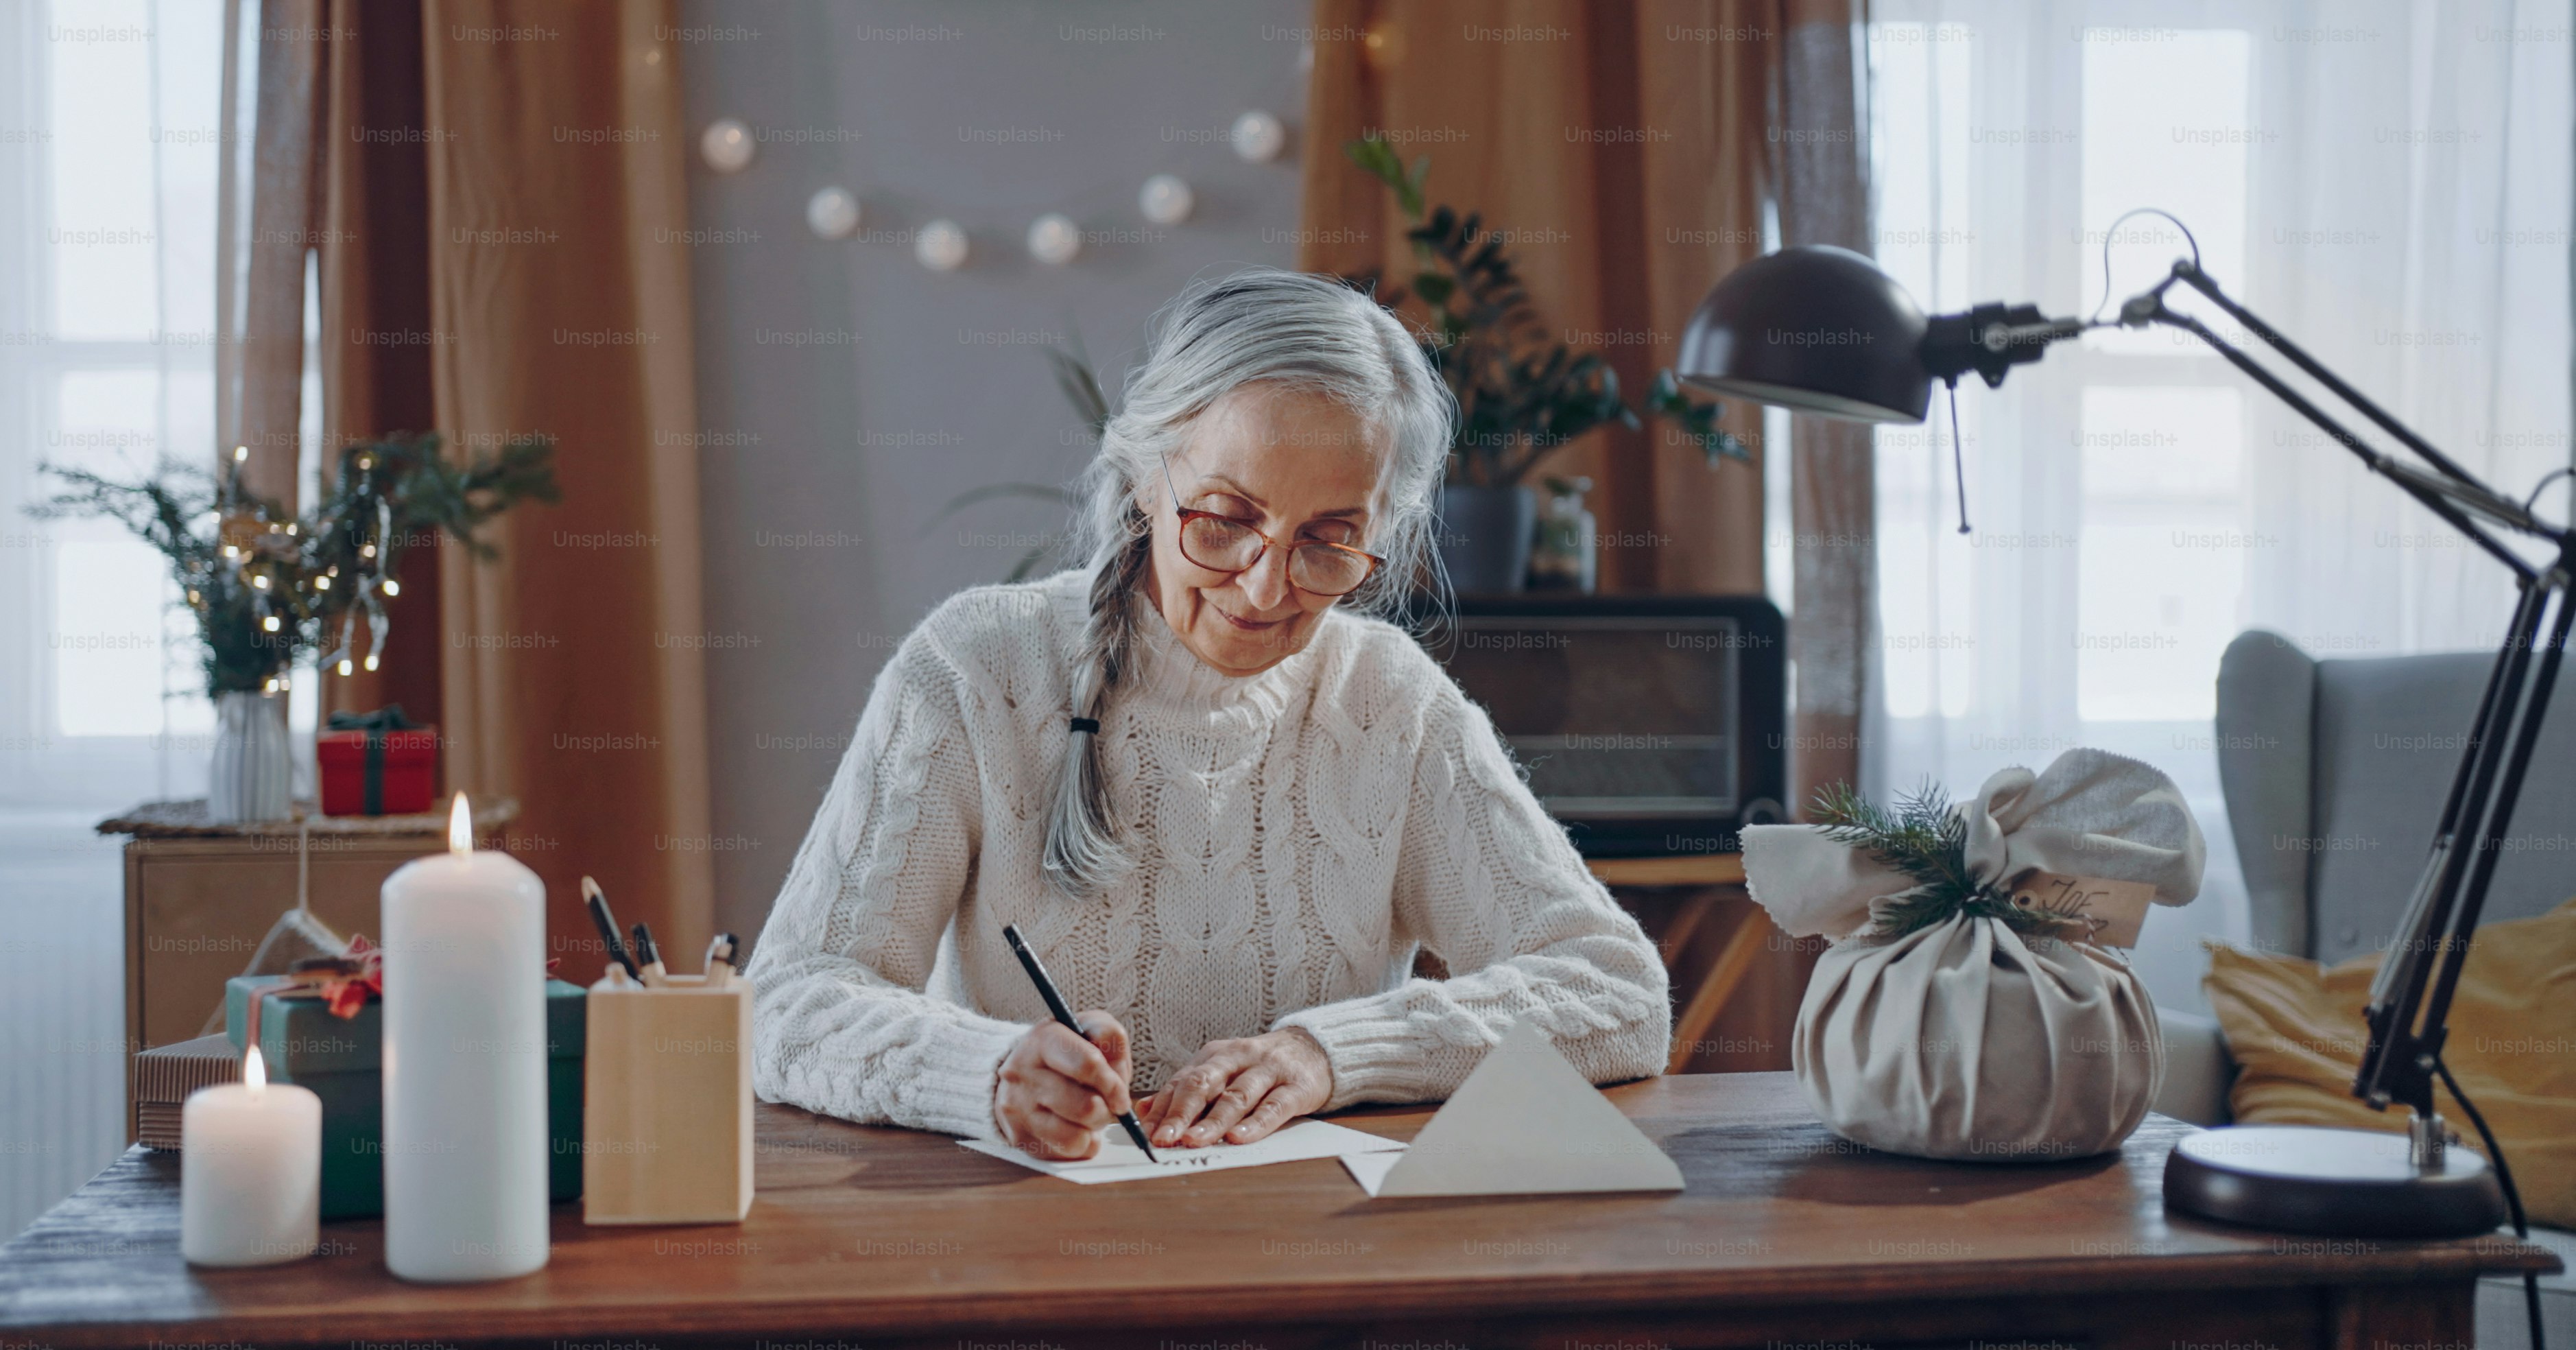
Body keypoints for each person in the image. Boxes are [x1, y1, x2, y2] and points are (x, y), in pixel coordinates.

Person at [746, 269, 1669, 1160]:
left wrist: (1331, 1054)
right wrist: (986, 1073)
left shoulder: (1392, 704)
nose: (1266, 588)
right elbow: (789, 1000)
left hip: (1316, 1261)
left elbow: (1616, 992)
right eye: (1227, 518)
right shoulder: (976, 669)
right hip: (1032, 1259)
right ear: (1149, 476)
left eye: (1330, 541)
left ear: (1382, 531)